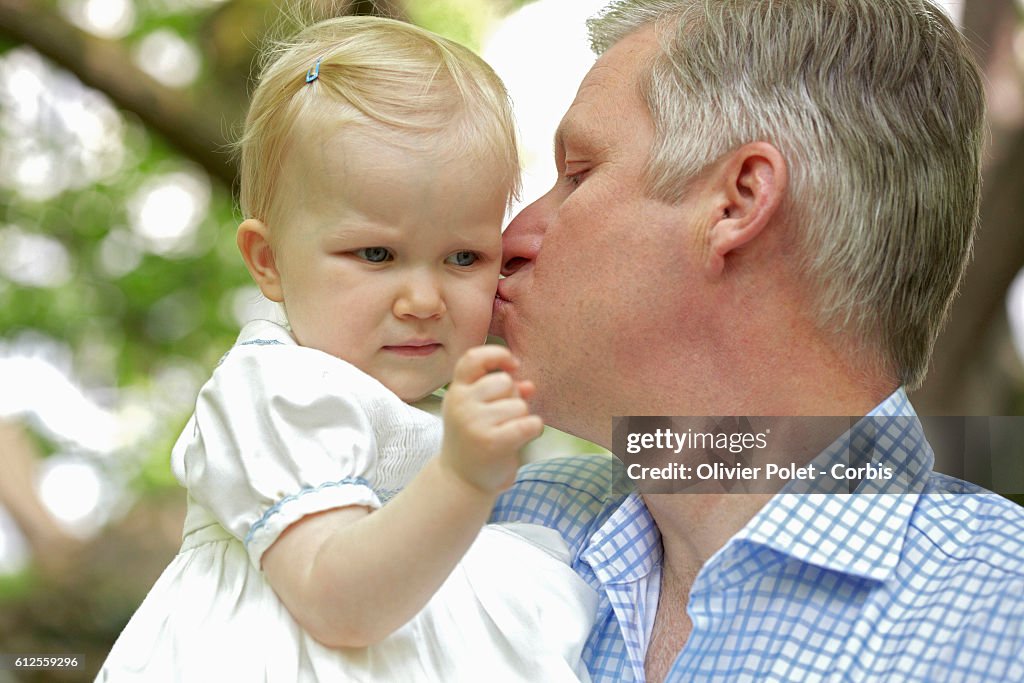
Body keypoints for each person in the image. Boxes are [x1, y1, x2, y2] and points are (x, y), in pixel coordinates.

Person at [490, 0, 1024, 681]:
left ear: (738, 201)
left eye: (579, 174)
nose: (510, 242)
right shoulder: (489, 522)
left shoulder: (1004, 624)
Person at [97, 16, 596, 682]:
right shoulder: (276, 391)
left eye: (464, 256)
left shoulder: (416, 416)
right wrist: (461, 477)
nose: (423, 298)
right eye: (376, 253)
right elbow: (340, 602)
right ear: (269, 260)